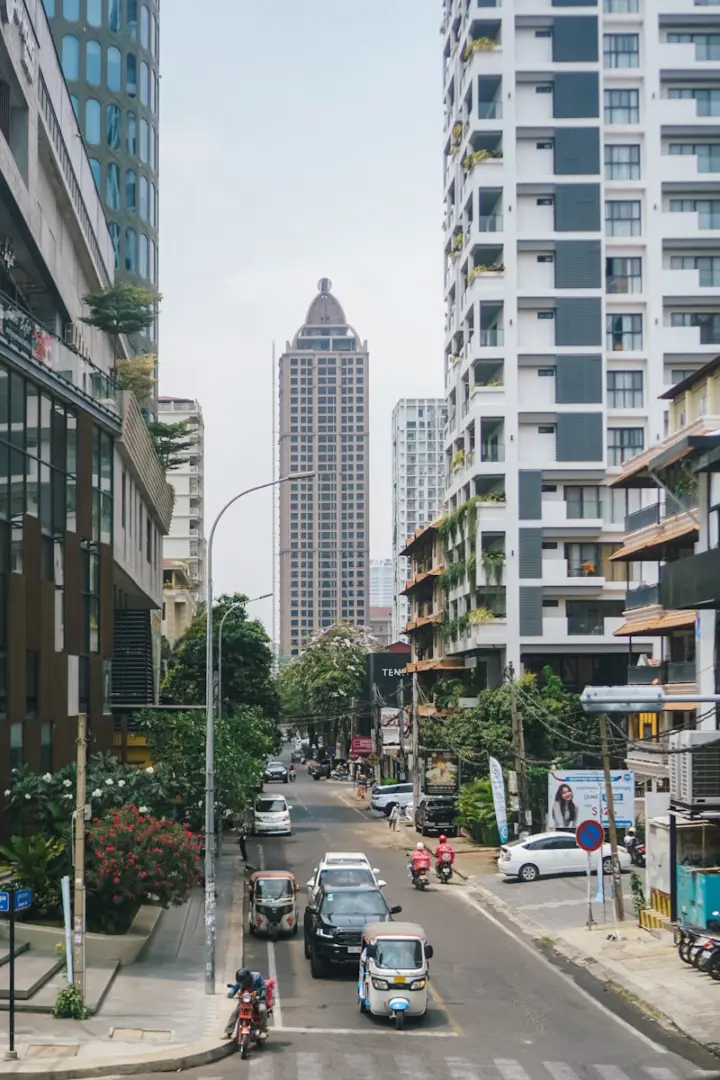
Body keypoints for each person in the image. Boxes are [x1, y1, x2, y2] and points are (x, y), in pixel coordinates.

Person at [225, 967, 267, 1038]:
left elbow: (263, 987)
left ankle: (263, 1030)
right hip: (245, 1000)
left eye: (243, 982)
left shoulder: (257, 976)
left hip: (257, 999)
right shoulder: (241, 981)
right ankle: (228, 1032)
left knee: (262, 1010)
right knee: (235, 1013)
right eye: (240, 982)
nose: (242, 984)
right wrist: (231, 993)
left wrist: (263, 994)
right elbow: (235, 987)